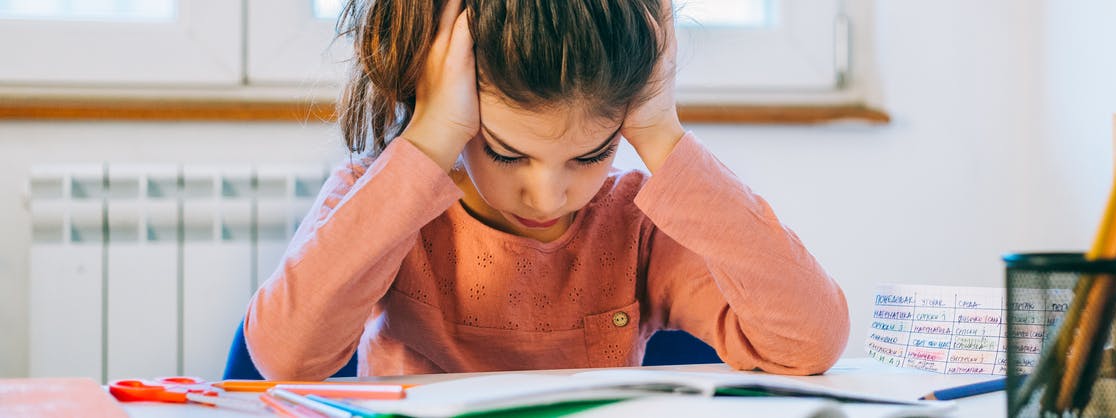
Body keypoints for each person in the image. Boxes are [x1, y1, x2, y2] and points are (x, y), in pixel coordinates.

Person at [244, 0, 849, 380]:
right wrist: (427, 138)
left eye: (592, 154)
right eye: (508, 153)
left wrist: (662, 135)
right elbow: (288, 360)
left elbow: (810, 341)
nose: (549, 195)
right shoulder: (376, 198)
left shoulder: (634, 225)